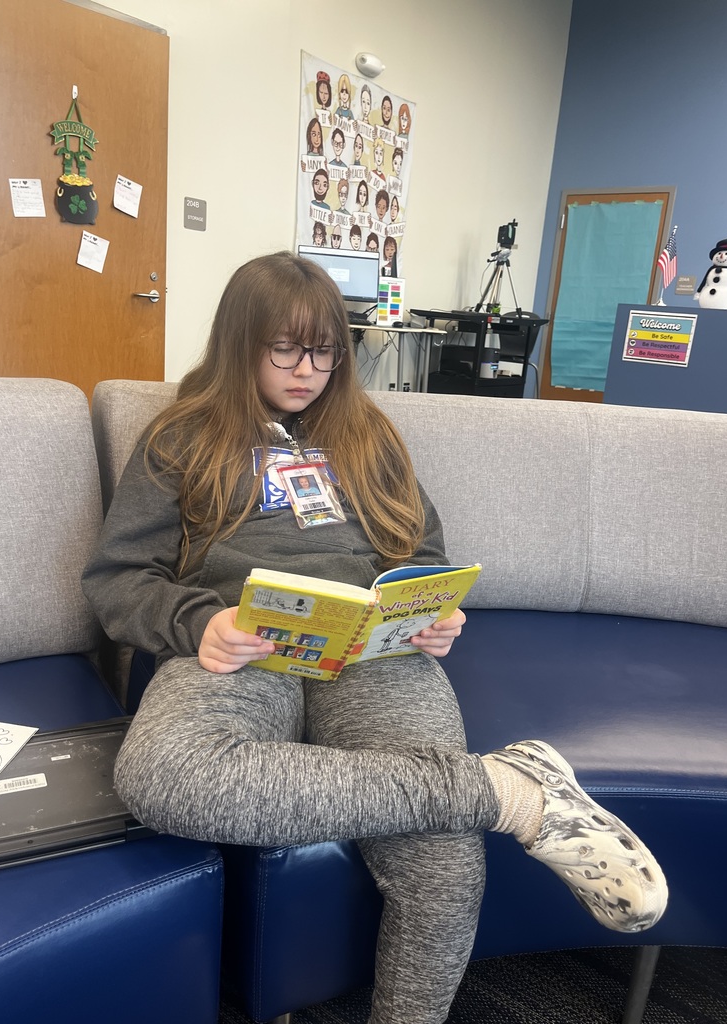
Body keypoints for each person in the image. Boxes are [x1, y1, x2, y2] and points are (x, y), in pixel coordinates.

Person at [82, 252, 667, 1024]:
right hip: (241, 639)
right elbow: (117, 577)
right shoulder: (181, 437)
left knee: (445, 864)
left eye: (326, 350)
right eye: (285, 349)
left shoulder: (367, 434)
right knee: (160, 775)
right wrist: (199, 623)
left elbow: (418, 549)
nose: (309, 370)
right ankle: (505, 790)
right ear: (238, 342)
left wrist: (428, 605)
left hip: (369, 644)